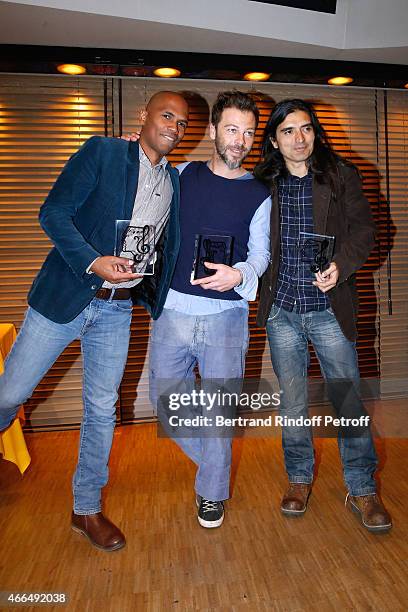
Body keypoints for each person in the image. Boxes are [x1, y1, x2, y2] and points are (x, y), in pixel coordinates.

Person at [0, 91, 189, 551]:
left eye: (183, 123)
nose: (175, 126)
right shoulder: (102, 151)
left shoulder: (175, 183)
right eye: (167, 115)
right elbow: (53, 213)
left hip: (117, 309)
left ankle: (85, 509)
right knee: (11, 392)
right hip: (64, 295)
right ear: (143, 116)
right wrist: (92, 261)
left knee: (101, 409)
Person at [255, 98, 392, 532]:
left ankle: (362, 487)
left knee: (347, 401)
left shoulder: (340, 175)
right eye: (289, 131)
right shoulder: (260, 183)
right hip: (282, 310)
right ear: (274, 141)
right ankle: (298, 479)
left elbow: (366, 231)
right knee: (293, 404)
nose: (300, 138)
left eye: (307, 129)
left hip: (329, 310)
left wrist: (342, 265)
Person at [149, 91, 271, 528]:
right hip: (174, 310)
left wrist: (238, 275)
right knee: (164, 403)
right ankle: (215, 466)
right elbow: (144, 193)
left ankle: (211, 493)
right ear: (215, 130)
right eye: (232, 129)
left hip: (225, 316)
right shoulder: (183, 174)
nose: (239, 140)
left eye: (248, 133)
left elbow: (261, 254)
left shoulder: (260, 193)